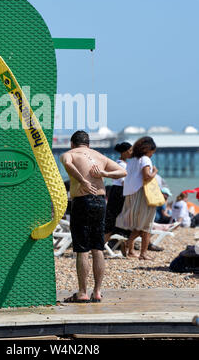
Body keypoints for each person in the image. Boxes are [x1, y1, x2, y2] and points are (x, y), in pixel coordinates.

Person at [60, 130, 127, 303]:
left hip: (82, 200)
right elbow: (122, 172)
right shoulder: (99, 156)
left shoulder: (70, 153)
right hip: (100, 201)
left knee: (82, 248)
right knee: (98, 247)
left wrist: (82, 181)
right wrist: (105, 175)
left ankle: (82, 292)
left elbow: (67, 164)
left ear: (72, 144)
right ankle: (97, 291)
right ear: (88, 144)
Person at [115, 136, 158, 260]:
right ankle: (142, 253)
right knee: (146, 224)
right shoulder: (145, 159)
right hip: (142, 193)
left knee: (139, 225)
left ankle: (130, 249)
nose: (152, 155)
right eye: (152, 152)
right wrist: (155, 171)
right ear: (148, 150)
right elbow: (147, 176)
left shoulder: (132, 160)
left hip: (130, 193)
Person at [104, 142, 132, 244]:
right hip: (119, 192)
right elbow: (124, 182)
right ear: (123, 152)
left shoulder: (121, 163)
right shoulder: (121, 164)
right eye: (130, 150)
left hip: (118, 191)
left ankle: (122, 243)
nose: (131, 152)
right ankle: (102, 244)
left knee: (118, 218)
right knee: (113, 218)